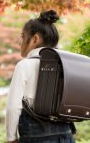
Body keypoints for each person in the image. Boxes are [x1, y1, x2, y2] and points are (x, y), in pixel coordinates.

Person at [6, 10, 75, 143]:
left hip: (34, 135)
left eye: (23, 36)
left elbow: (13, 107)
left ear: (35, 39)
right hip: (65, 133)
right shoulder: (66, 65)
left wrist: (11, 138)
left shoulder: (24, 65)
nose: (20, 42)